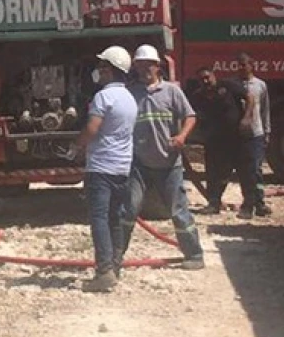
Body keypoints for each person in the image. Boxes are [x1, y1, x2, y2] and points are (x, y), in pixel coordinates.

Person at [116, 45, 205, 270]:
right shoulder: (130, 93)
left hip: (169, 163)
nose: (144, 69)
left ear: (158, 67)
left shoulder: (172, 92)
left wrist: (182, 136)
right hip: (139, 164)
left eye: (148, 65)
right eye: (140, 65)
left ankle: (194, 255)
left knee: (178, 211)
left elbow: (190, 116)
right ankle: (114, 258)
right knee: (128, 210)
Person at [70, 45, 137, 293]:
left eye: (102, 66)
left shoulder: (103, 97)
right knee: (114, 218)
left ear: (111, 70)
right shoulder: (129, 98)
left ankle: (104, 271)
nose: (98, 71)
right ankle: (115, 266)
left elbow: (92, 129)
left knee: (98, 218)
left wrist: (76, 147)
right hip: (122, 167)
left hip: (101, 167)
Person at [189, 67, 252, 213]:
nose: (206, 81)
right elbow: (193, 114)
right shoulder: (198, 96)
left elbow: (249, 97)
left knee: (245, 172)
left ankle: (249, 205)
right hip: (214, 140)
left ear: (214, 75)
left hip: (236, 137)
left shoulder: (228, 86)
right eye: (202, 79)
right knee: (213, 173)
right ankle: (213, 203)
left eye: (207, 77)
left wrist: (247, 118)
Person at [236, 52, 272, 218]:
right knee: (244, 170)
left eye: (244, 64)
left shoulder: (260, 85)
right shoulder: (234, 85)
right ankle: (247, 204)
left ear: (252, 65)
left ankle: (260, 203)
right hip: (240, 135)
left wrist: (267, 131)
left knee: (256, 169)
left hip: (256, 133)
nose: (241, 68)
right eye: (239, 65)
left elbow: (265, 110)